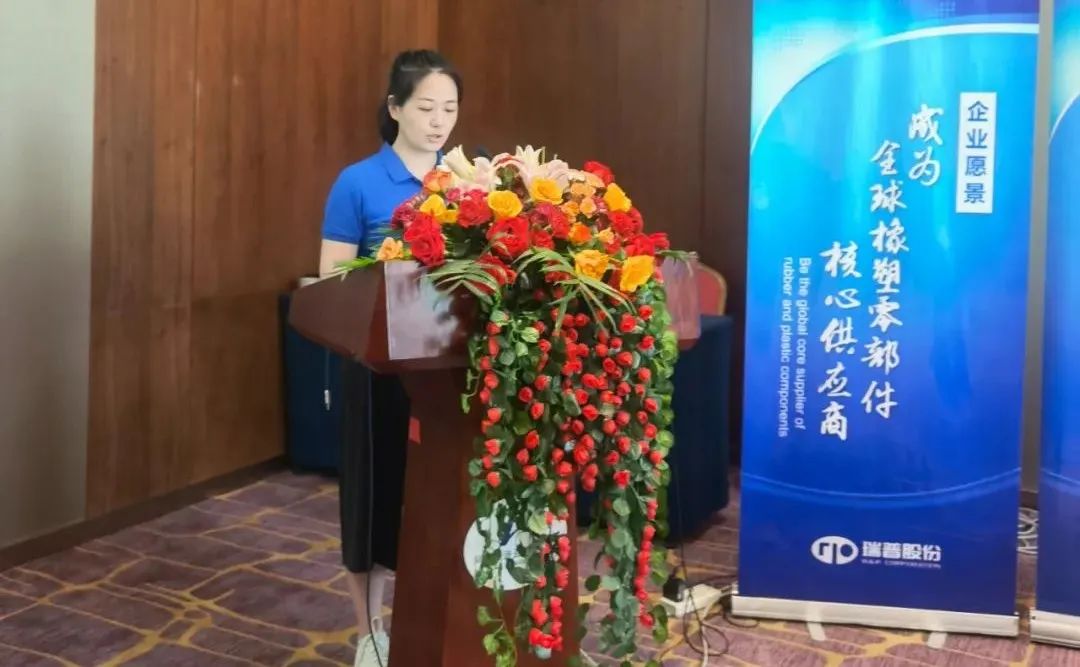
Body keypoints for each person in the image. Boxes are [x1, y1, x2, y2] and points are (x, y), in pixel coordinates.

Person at [318, 49, 462, 667]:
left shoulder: (469, 182)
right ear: (396, 108)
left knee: (440, 499)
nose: (439, 121)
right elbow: (331, 279)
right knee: (373, 498)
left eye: (450, 109)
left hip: (449, 368)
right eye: (426, 107)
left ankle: (434, 622)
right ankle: (370, 632)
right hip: (378, 367)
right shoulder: (358, 182)